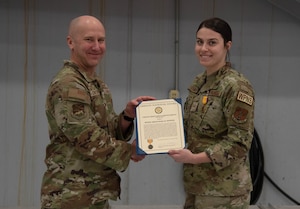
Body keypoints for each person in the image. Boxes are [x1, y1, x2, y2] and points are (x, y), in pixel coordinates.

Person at [40, 15, 155, 209]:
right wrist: (130, 151)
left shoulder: (94, 83)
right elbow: (86, 137)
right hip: (70, 195)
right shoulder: (69, 84)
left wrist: (127, 116)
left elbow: (105, 131)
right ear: (71, 42)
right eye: (89, 39)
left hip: (93, 193)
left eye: (101, 40)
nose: (96, 46)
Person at [168, 17, 255, 209]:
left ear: (227, 45)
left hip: (225, 192)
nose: (204, 48)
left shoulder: (236, 86)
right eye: (199, 42)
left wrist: (194, 158)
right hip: (197, 186)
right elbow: (188, 127)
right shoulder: (199, 83)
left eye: (212, 43)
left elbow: (239, 142)